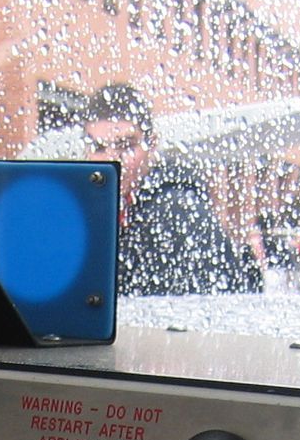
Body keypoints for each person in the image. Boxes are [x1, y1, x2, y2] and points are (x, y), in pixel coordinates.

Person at [82, 82, 256, 296]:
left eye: (125, 146)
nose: (111, 160)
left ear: (151, 145)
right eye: (98, 148)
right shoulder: (102, 211)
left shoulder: (177, 211)